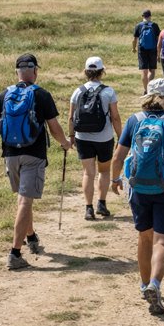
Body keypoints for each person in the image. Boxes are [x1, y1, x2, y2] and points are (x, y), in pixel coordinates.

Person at [110, 78, 164, 316]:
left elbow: (119, 156)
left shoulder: (134, 120)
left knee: (144, 237)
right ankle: (155, 284)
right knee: (162, 241)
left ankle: (143, 284)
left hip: (138, 188)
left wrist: (115, 179)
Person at [0, 53, 72, 270]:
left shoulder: (4, 94)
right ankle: (15, 253)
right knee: (25, 201)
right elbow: (54, 127)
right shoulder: (41, 95)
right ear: (35, 71)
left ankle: (31, 236)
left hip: (10, 156)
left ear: (17, 72)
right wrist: (65, 143)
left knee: (24, 199)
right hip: (33, 155)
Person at [68, 56, 123, 221]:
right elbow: (115, 118)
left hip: (82, 137)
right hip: (104, 137)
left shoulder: (78, 91)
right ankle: (101, 203)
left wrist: (71, 136)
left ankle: (88, 208)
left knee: (88, 173)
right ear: (102, 72)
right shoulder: (108, 91)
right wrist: (121, 137)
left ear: (85, 72)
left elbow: (71, 117)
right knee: (104, 170)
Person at [132, 9, 161, 95]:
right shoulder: (154, 25)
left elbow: (134, 40)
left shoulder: (139, 26)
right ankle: (150, 88)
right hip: (153, 49)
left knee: (144, 71)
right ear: (150, 16)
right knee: (151, 70)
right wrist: (158, 51)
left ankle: (145, 90)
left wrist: (133, 48)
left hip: (142, 49)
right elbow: (158, 39)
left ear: (142, 16)